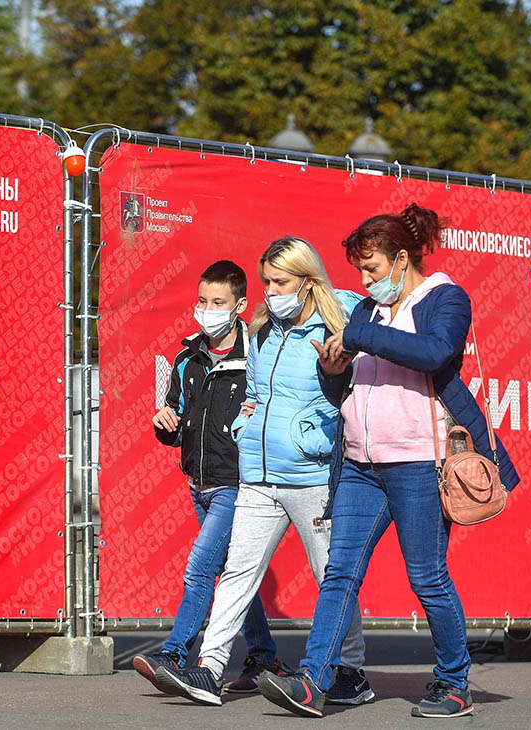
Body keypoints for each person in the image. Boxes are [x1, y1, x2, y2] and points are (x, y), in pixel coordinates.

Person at [256, 204, 520, 719]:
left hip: (421, 463)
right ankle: (314, 681)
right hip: (359, 463)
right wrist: (332, 370)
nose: (364, 280)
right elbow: (344, 388)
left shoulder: (445, 297)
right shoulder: (366, 312)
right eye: (359, 270)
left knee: (426, 577)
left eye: (372, 268)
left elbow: (435, 352)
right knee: (340, 573)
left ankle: (454, 682)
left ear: (402, 259)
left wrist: (358, 337)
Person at [155, 237, 372, 707]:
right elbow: (254, 394)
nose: (272, 291)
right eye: (268, 282)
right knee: (237, 572)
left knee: (330, 577)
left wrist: (316, 434)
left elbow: (357, 391)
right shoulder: (261, 331)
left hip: (313, 476)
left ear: (306, 279)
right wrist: (246, 428)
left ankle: (351, 670)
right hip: (258, 475)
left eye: (282, 281)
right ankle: (210, 669)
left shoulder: (340, 320)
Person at [131, 260, 286, 694]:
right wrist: (166, 424)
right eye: (202, 301)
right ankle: (263, 656)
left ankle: (177, 653)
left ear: (239, 305)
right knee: (235, 573)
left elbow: (272, 407)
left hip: (235, 485)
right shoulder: (187, 359)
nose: (207, 309)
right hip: (197, 486)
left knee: (200, 568)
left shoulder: (255, 354)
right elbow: (178, 423)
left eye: (218, 302)